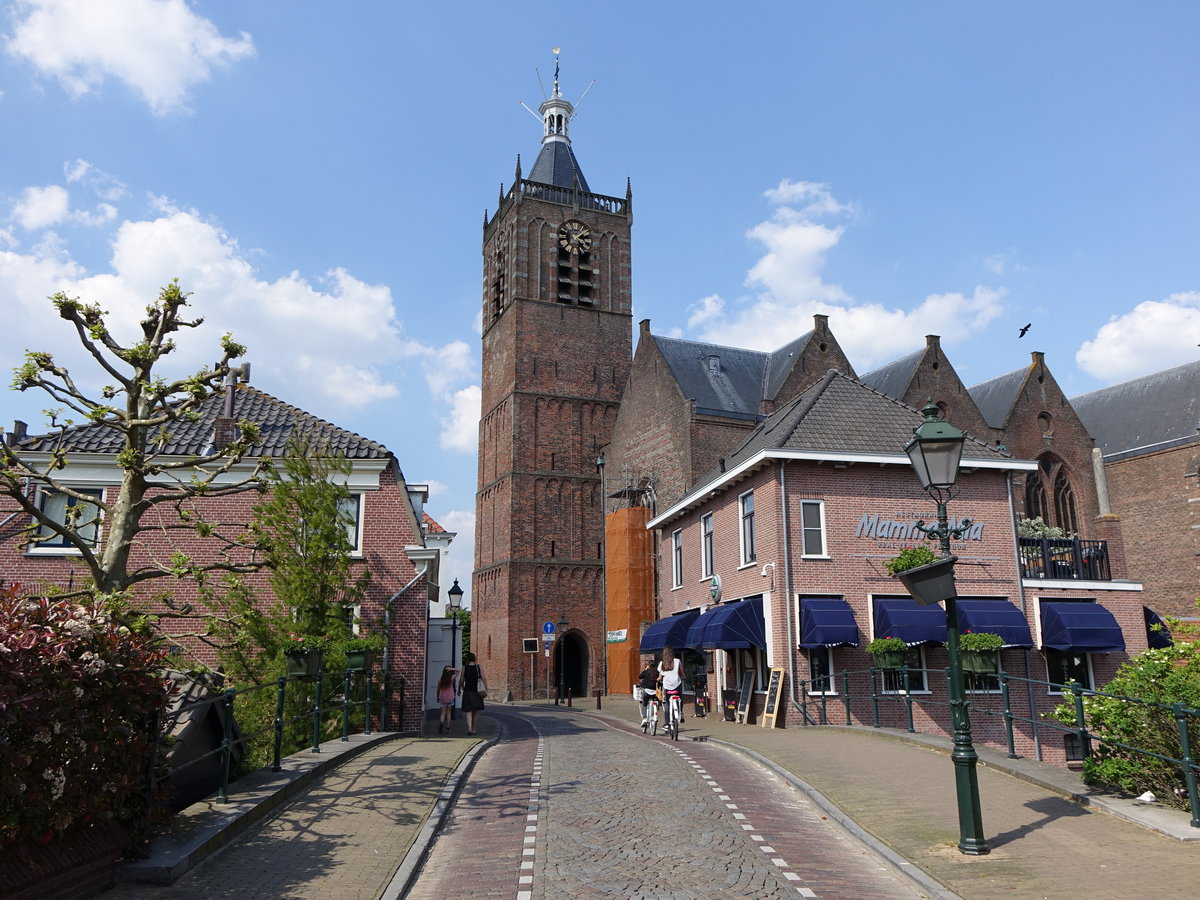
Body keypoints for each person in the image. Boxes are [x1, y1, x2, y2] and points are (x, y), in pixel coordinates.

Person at [459, 651, 486, 735]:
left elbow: (461, 680)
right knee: (476, 711)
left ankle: (469, 729)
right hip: (477, 692)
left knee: (468, 711)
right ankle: (474, 729)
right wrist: (486, 688)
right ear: (474, 659)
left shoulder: (464, 668)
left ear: (467, 659)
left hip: (467, 691)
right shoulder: (478, 667)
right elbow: (484, 678)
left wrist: (459, 688)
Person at [658, 646, 684, 726]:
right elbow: (681, 673)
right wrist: (684, 677)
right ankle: (681, 712)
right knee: (680, 698)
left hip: (667, 687)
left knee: (667, 705)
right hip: (677, 685)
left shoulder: (662, 663)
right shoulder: (677, 661)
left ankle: (666, 724)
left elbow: (660, 677)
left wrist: (659, 679)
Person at [436, 665, 458, 734]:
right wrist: (451, 668)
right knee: (449, 713)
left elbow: (438, 690)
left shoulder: (440, 679)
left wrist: (437, 697)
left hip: (443, 697)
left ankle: (441, 723)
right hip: (450, 697)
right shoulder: (451, 678)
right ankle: (448, 728)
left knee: (443, 713)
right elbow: (458, 670)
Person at [636, 660, 658, 726]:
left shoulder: (646, 672)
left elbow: (640, 676)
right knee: (656, 702)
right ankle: (654, 714)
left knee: (644, 704)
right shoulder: (657, 672)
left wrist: (645, 669)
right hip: (655, 692)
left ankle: (644, 718)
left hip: (646, 692)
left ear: (649, 666)